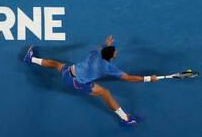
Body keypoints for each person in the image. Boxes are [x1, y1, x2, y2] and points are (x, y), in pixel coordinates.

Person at [23, 35, 157, 126]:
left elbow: (100, 48)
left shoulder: (95, 53)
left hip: (67, 73)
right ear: (111, 56)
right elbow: (128, 78)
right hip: (77, 85)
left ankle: (31, 59)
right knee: (105, 93)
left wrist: (106, 44)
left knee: (56, 64)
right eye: (115, 52)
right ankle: (126, 119)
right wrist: (148, 78)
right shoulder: (108, 68)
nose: (116, 52)